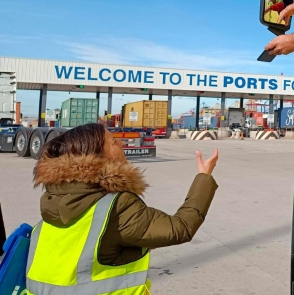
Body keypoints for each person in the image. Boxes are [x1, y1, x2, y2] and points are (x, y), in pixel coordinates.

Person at [26, 123, 219, 294]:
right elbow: (180, 228)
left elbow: (85, 247)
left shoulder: (54, 200)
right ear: (96, 155)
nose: (122, 144)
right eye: (113, 142)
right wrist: (204, 177)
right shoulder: (116, 206)